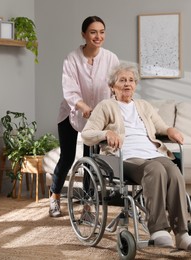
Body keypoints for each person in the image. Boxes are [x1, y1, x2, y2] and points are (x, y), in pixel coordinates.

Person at [81, 62, 191, 253]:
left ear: (135, 85)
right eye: (122, 80)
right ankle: (158, 230)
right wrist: (106, 133)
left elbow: (160, 127)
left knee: (174, 172)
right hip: (125, 158)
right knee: (155, 170)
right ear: (112, 86)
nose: (127, 84)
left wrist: (170, 130)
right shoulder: (106, 106)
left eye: (131, 80)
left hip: (152, 153)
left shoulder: (143, 105)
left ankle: (182, 234)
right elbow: (87, 134)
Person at [49, 16, 119, 217]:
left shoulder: (111, 58)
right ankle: (54, 196)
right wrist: (83, 107)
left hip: (97, 118)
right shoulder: (72, 58)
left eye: (102, 32)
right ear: (84, 34)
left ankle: (88, 205)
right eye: (93, 32)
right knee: (68, 156)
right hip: (71, 112)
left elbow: (114, 86)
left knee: (91, 160)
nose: (98, 36)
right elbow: (69, 90)